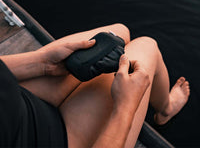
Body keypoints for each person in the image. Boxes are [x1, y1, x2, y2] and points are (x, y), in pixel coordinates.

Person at [0, 23, 190, 148]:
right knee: (146, 46)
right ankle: (165, 110)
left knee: (118, 33)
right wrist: (125, 107)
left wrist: (41, 63)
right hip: (52, 139)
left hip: (17, 100)